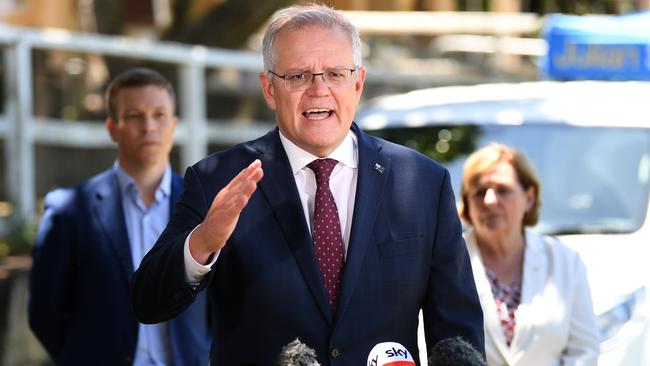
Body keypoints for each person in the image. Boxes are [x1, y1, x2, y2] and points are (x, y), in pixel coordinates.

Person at [131, 4, 484, 365]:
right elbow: (147, 300)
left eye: (334, 73)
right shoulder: (219, 181)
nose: (319, 90)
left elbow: (457, 334)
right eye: (299, 76)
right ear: (269, 89)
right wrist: (204, 241)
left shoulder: (423, 182)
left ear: (358, 83)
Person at [28, 67, 211, 365]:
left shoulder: (203, 206)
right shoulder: (68, 211)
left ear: (174, 124)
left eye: (159, 114)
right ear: (112, 127)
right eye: (135, 116)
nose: (149, 126)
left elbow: (224, 300)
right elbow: (44, 312)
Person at [459, 143, 600, 365]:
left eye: (502, 190)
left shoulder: (565, 262)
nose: (489, 200)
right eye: (478, 192)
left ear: (529, 197)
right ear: (467, 204)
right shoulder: (448, 262)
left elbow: (584, 352)